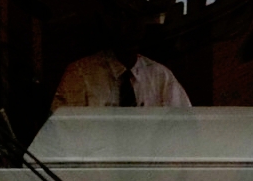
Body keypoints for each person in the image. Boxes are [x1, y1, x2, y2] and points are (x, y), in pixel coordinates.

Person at [52, 6, 191, 110]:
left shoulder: (161, 77)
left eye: (137, 19)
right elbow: (64, 133)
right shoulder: (80, 75)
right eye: (123, 18)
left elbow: (183, 128)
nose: (130, 27)